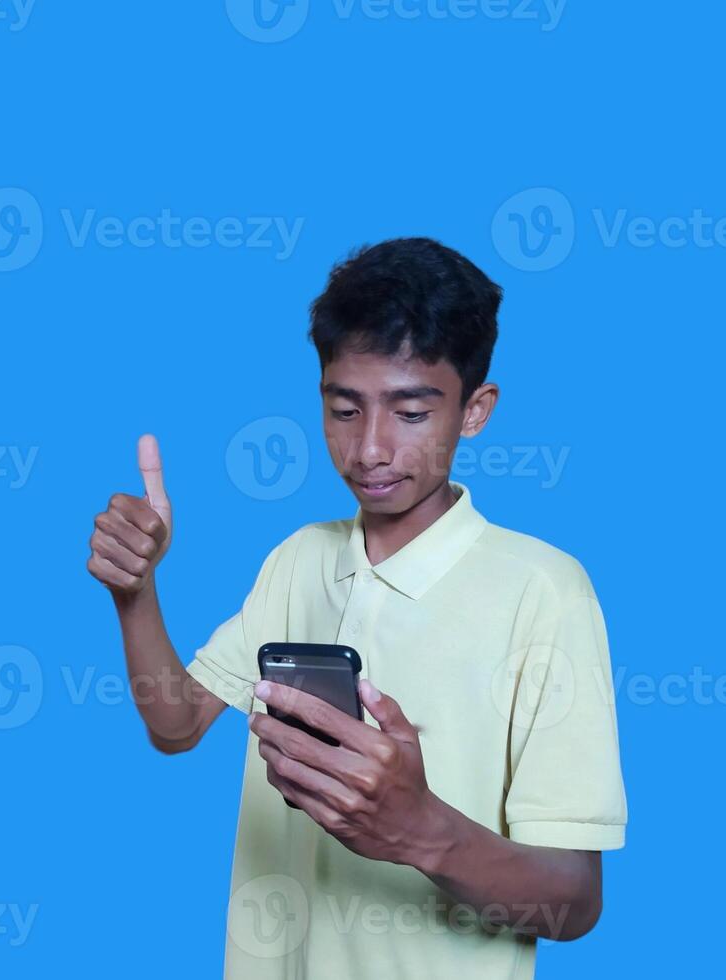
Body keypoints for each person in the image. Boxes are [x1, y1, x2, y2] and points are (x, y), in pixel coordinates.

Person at [87, 237, 628, 979]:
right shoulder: (298, 558)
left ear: (475, 410)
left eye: (411, 412)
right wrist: (136, 591)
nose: (370, 448)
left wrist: (418, 830)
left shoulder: (545, 591)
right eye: (344, 408)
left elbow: (574, 902)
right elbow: (176, 724)